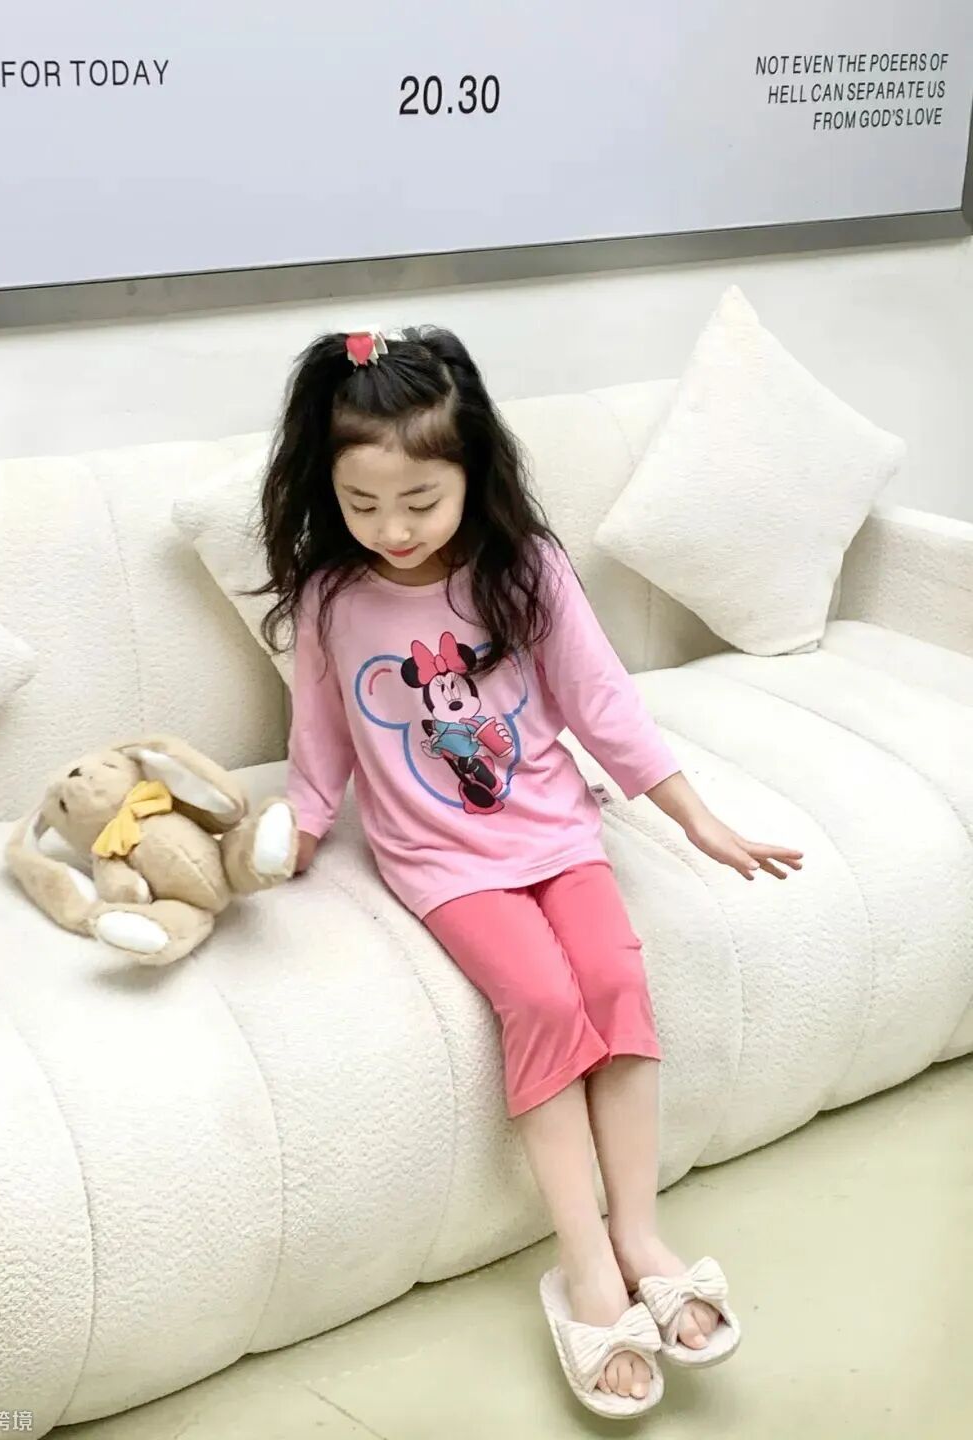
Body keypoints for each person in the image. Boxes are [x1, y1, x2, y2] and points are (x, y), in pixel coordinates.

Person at [256, 326, 803, 1417]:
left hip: (558, 829)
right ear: (330, 490)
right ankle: (585, 1262)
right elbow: (317, 737)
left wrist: (696, 817)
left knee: (615, 978)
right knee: (545, 998)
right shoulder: (331, 599)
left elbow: (603, 703)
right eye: (363, 505)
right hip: (439, 859)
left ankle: (640, 1235)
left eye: (420, 501)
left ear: (473, 470)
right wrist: (299, 832)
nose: (393, 529)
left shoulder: (526, 568)